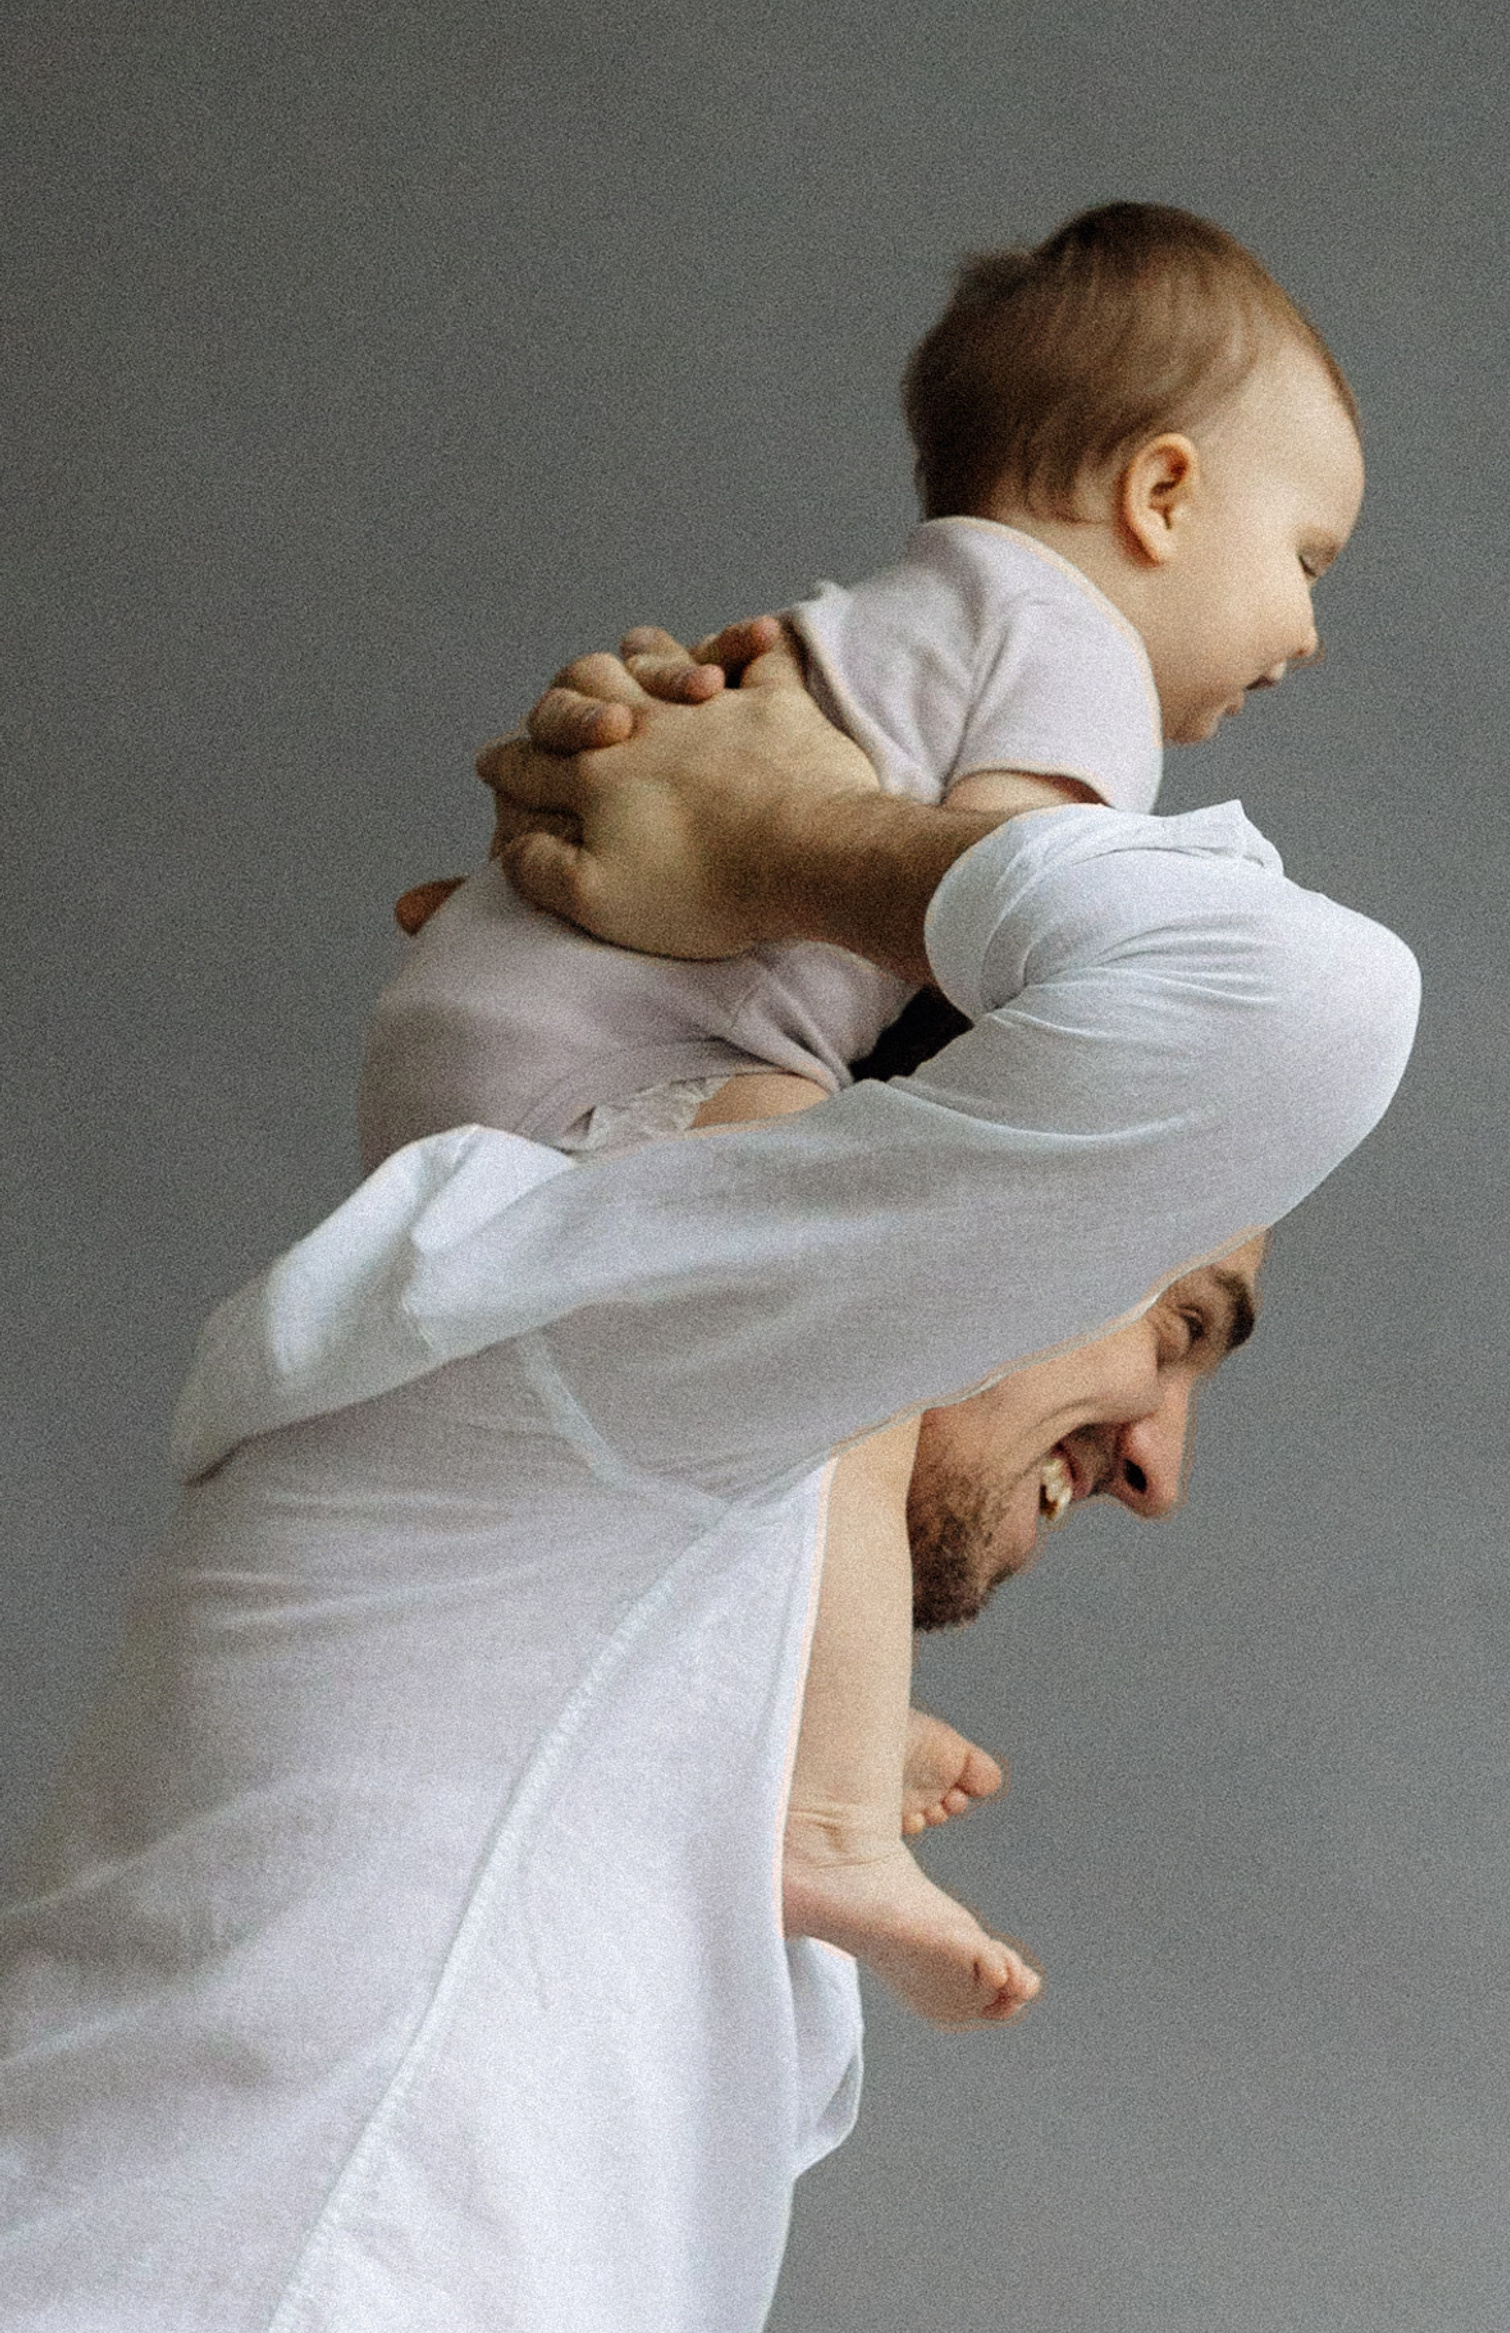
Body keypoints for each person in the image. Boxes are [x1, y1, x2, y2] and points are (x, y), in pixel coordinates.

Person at [0, 634, 1418, 2333]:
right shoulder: (619, 1291)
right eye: (1173, 1320)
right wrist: (791, 834)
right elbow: (1299, 1004)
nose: (1162, 1455)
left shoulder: (689, 1512)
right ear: (927, 1174)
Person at [362, 201, 1366, 2029]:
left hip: (476, 1056)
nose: (1303, 632)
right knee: (855, 1296)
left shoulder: (885, 628)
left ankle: (793, 1704)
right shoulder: (1062, 651)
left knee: (788, 1336)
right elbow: (1040, 940)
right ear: (1159, 496)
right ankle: (825, 1804)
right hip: (603, 1062)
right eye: (1307, 557)